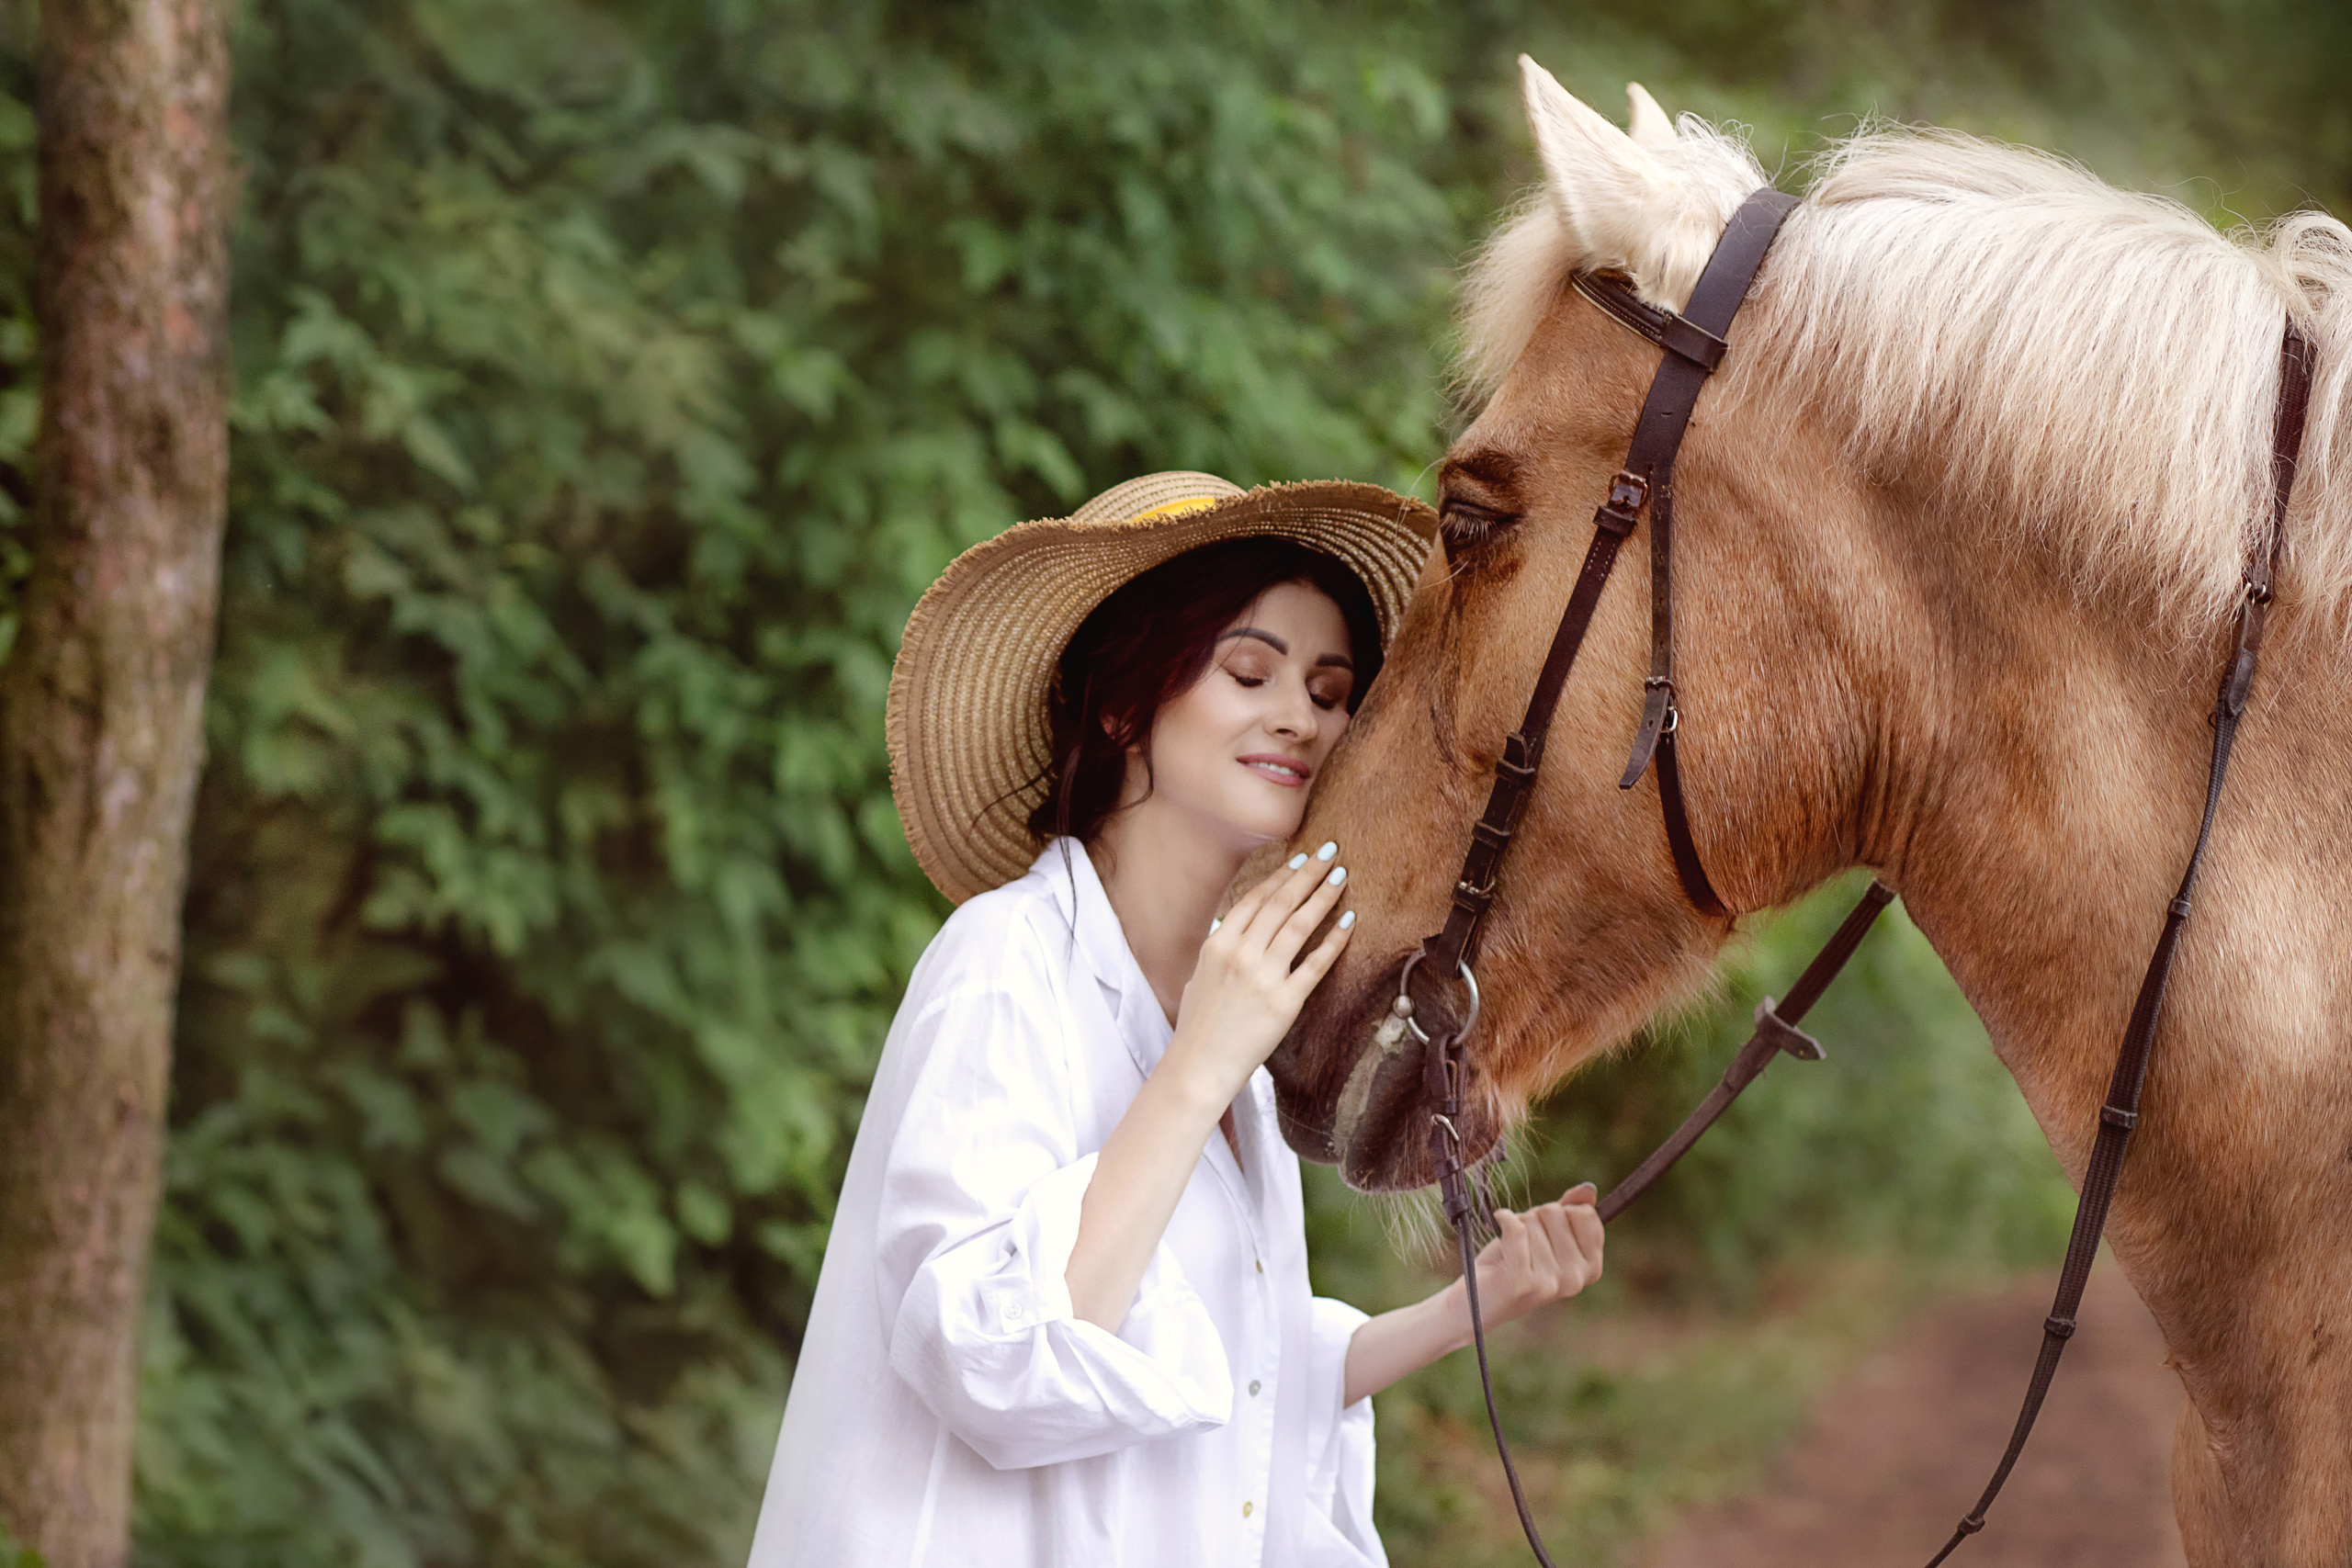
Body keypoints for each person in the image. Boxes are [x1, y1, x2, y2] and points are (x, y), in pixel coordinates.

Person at [750, 472, 1607, 1568]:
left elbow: (1232, 1362)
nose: (1302, 716)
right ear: (1123, 704)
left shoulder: (1235, 1018)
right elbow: (997, 1355)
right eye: (1249, 671)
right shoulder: (1006, 966)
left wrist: (1466, 1309)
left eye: (1332, 688)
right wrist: (1199, 1065)